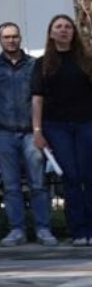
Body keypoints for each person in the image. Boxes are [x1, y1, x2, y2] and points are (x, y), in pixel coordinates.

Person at [0, 23, 54, 245]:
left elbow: (44, 98)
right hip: (3, 132)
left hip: (32, 132)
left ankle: (43, 229)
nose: (11, 40)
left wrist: (43, 130)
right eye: (6, 37)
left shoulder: (35, 66)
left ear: (20, 38)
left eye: (14, 36)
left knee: (38, 183)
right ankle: (17, 230)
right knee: (10, 185)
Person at [31, 13, 92, 247]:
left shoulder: (86, 60)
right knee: (71, 177)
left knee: (89, 174)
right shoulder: (42, 63)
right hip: (56, 127)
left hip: (86, 123)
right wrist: (37, 130)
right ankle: (78, 230)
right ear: (51, 32)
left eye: (68, 26)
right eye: (59, 27)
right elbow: (37, 99)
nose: (64, 30)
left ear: (74, 32)